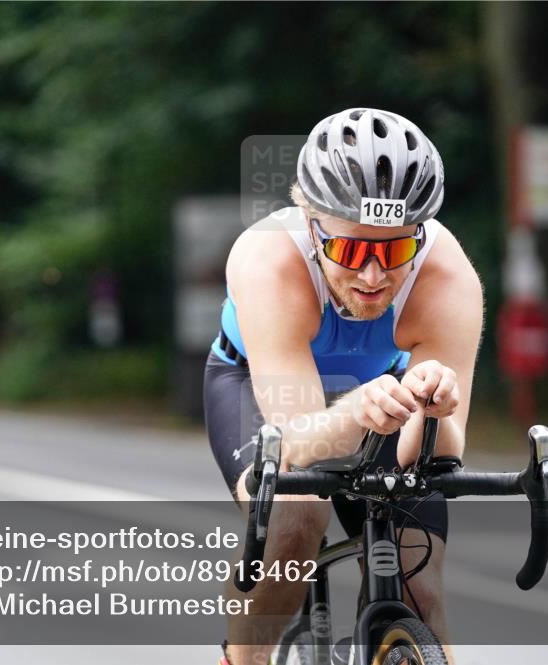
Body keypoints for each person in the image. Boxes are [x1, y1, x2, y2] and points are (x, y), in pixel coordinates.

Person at [204, 109, 484, 665]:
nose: (373, 276)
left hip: (384, 393)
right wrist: (358, 410)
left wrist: (433, 412)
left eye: (395, 251)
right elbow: (294, 444)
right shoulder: (267, 258)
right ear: (312, 225)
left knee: (420, 583)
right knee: (296, 523)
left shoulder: (447, 276)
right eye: (352, 251)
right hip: (256, 386)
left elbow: (439, 455)